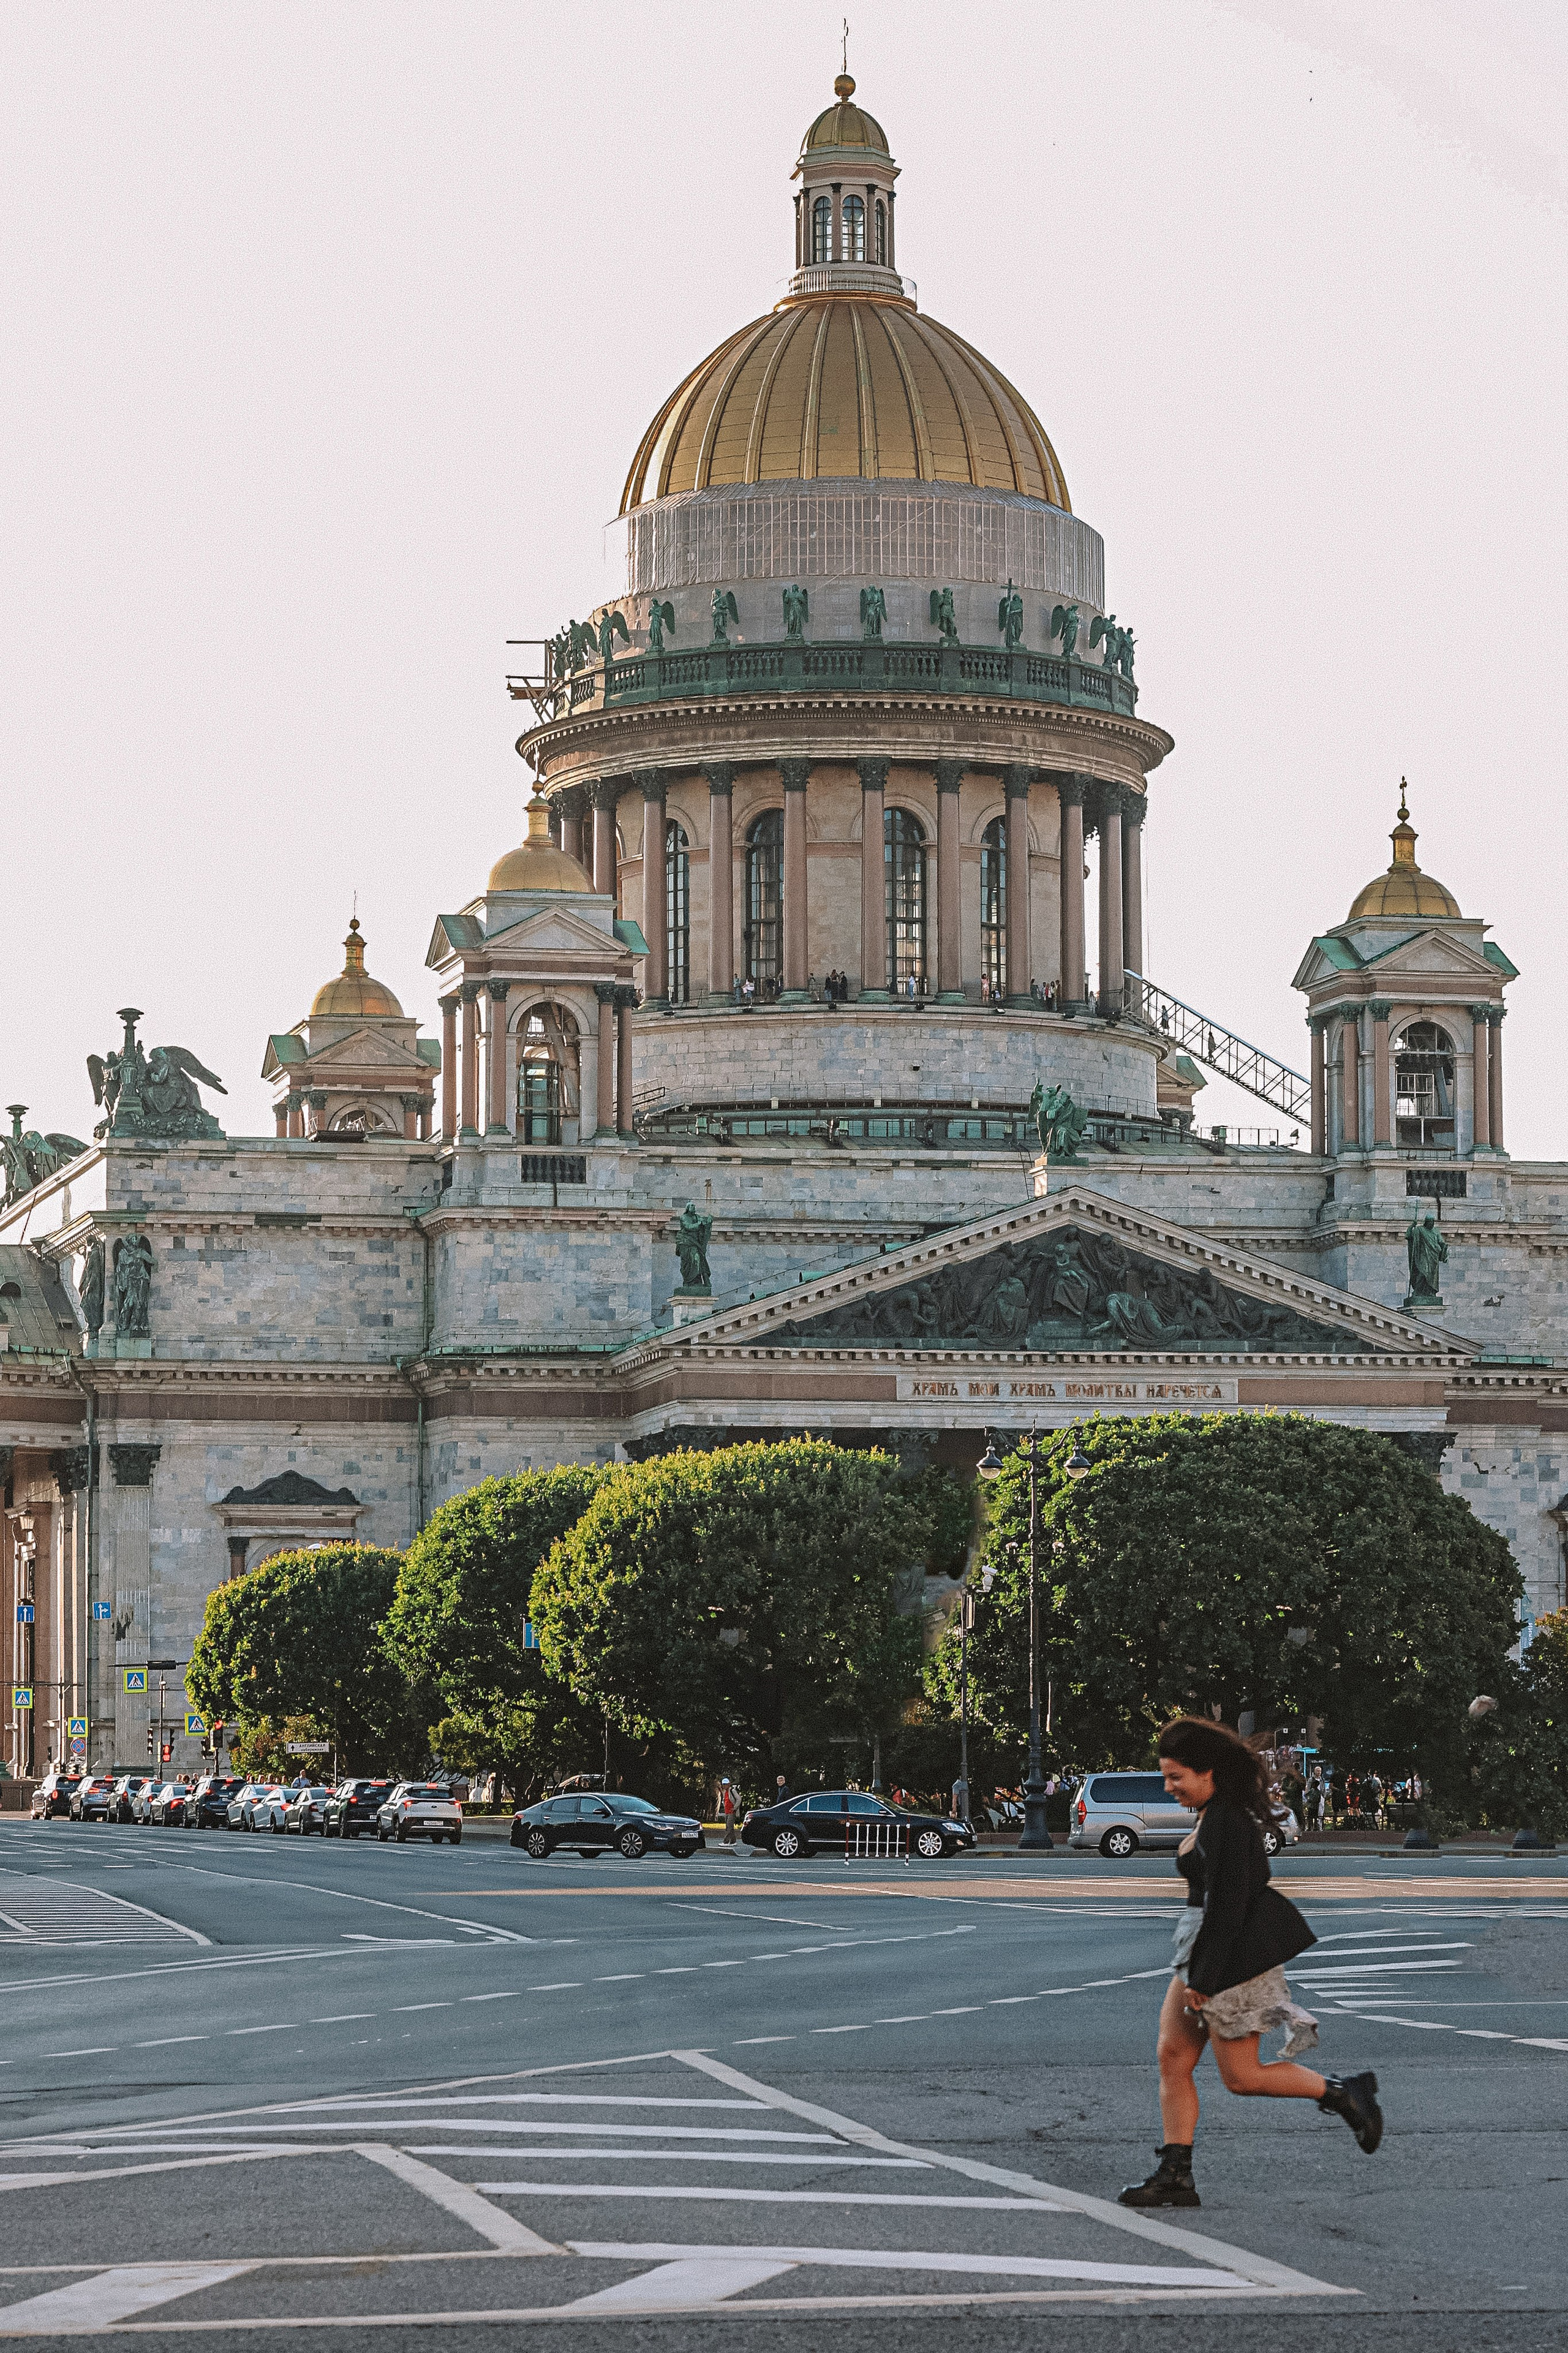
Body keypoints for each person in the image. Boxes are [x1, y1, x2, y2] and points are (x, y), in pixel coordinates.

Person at [1118, 1716, 1382, 2210]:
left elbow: (1230, 1905)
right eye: (1166, 1775)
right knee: (1173, 2056)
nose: (1168, 1786)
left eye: (1176, 1776)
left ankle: (1344, 2093)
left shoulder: (1227, 1820)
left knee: (1242, 2076)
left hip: (1231, 1959)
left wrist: (1206, 1978)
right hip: (1204, 1947)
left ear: (1208, 1771)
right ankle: (1176, 2174)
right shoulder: (1212, 1813)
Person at [719, 1776, 738, 1848]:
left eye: (725, 1784)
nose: (724, 1786)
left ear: (729, 1784)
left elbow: (739, 1799)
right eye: (723, 1784)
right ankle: (733, 1841)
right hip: (727, 1812)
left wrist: (735, 1808)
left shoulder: (732, 1791)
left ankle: (726, 1842)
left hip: (731, 1812)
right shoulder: (726, 1792)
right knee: (730, 1827)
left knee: (729, 1827)